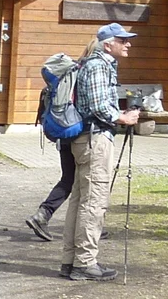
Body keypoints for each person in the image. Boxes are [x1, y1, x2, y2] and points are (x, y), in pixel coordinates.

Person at [60, 23, 141, 281]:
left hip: (87, 139)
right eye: (123, 40)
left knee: (80, 199)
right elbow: (98, 107)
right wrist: (123, 118)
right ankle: (84, 263)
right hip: (95, 139)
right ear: (108, 44)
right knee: (93, 201)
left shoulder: (96, 64)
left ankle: (71, 260)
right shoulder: (97, 66)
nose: (128, 44)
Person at [27, 38, 103, 242]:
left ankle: (43, 215)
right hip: (80, 134)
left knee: (69, 179)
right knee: (83, 182)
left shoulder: (70, 71)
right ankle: (86, 224)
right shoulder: (89, 73)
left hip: (64, 131)